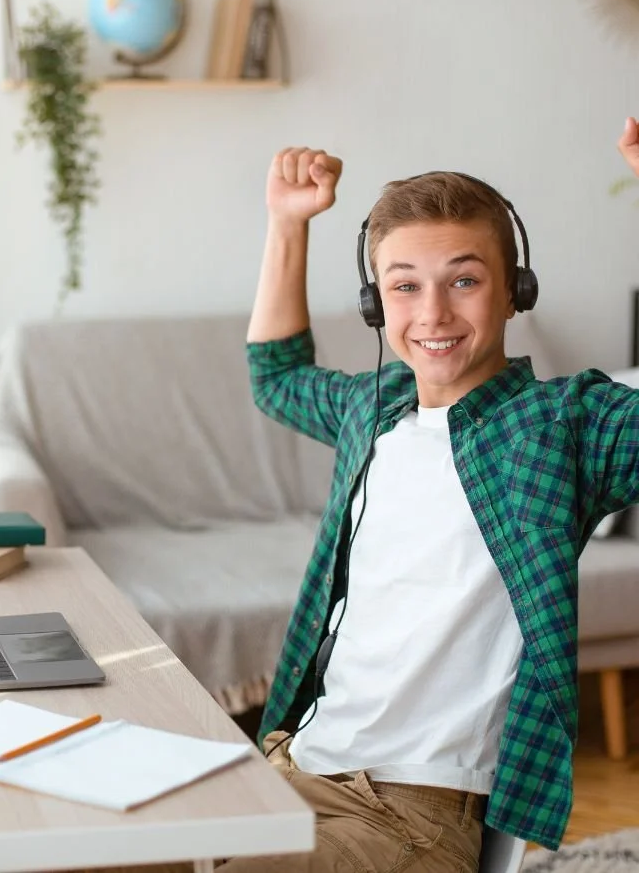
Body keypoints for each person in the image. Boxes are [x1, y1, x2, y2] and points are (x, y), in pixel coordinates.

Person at [97, 117, 639, 873]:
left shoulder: (566, 424)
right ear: (375, 305)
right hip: (292, 765)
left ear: (516, 292)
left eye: (465, 280)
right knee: (67, 844)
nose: (434, 313)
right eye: (405, 287)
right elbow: (278, 377)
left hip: (414, 813)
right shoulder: (373, 408)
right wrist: (288, 224)